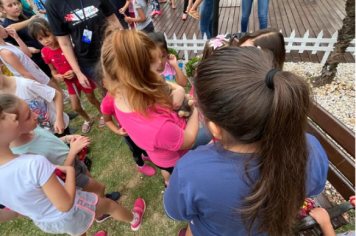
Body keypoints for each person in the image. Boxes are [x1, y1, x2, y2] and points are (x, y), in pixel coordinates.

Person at [164, 47, 329, 236]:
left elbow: (176, 212)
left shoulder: (190, 171)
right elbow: (312, 190)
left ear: (216, 128)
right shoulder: (312, 149)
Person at [0, 93, 146, 235]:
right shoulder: (30, 160)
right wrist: (72, 155)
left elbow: (48, 142)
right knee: (105, 197)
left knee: (79, 228)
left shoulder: (32, 130)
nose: (36, 115)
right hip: (68, 179)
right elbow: (61, 184)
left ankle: (98, 211)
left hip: (71, 171)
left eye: (30, 110)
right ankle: (128, 217)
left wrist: (67, 139)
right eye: (27, 116)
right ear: (16, 126)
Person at [101, 29, 199, 186]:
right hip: (176, 157)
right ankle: (172, 184)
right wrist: (195, 109)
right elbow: (189, 141)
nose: (159, 71)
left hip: (161, 154)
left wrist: (179, 89)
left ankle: (168, 182)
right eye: (154, 70)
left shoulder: (119, 94)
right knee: (180, 176)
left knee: (166, 168)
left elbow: (162, 82)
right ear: (141, 77)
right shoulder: (158, 127)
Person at [28, 18, 106, 133]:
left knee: (92, 99)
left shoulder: (66, 44)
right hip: (70, 83)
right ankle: (88, 119)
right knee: (75, 107)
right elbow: (53, 70)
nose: (45, 41)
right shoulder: (45, 52)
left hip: (81, 78)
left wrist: (75, 71)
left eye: (47, 36)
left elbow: (79, 59)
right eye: (40, 39)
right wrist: (57, 76)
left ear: (53, 31)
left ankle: (103, 114)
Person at [45, 0, 124, 88]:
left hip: (113, 52)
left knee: (129, 84)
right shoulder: (52, 4)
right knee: (112, 91)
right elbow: (64, 43)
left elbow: (113, 21)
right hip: (89, 61)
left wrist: (124, 45)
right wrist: (78, 73)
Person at [98, 67, 157, 177]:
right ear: (103, 84)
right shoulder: (107, 103)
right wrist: (117, 131)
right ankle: (140, 165)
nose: (117, 84)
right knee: (136, 150)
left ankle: (145, 154)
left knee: (144, 144)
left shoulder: (129, 91)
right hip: (128, 132)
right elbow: (107, 120)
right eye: (111, 81)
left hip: (140, 126)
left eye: (117, 79)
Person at [0, 71, 68, 135]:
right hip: (37, 137)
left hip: (56, 125)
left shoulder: (26, 84)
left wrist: (59, 119)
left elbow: (56, 95)